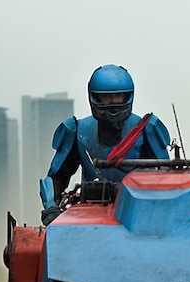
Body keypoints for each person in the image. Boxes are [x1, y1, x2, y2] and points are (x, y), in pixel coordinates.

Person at [40, 64, 171, 224]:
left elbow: (167, 178)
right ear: (95, 97)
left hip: (139, 215)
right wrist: (51, 208)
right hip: (90, 216)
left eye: (118, 96)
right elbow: (55, 178)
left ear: (127, 96)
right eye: (107, 97)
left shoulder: (147, 129)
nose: (113, 103)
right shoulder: (76, 131)